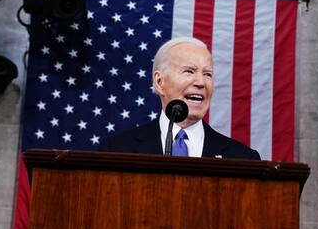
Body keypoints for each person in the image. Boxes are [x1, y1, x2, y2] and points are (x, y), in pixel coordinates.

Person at [98, 36, 260, 160]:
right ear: (160, 82)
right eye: (189, 71)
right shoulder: (116, 150)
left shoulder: (242, 158)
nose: (201, 82)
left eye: (207, 74)